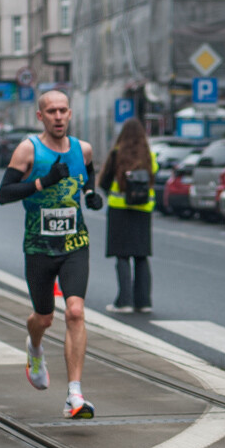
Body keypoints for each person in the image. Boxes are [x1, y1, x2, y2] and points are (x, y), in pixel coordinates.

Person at [0, 90, 103, 419]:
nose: (58, 116)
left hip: (74, 244)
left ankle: (74, 394)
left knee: (74, 311)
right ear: (40, 116)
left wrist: (91, 194)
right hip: (38, 247)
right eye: (51, 111)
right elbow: (4, 194)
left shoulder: (82, 149)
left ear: (70, 114)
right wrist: (41, 183)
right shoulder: (29, 149)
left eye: (63, 111)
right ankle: (35, 347)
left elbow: (88, 176)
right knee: (43, 317)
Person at [97, 117, 157, 313]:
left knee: (122, 256)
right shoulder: (150, 155)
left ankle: (124, 301)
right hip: (143, 211)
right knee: (141, 255)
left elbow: (104, 181)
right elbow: (154, 177)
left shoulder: (117, 153)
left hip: (119, 209)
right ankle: (144, 301)